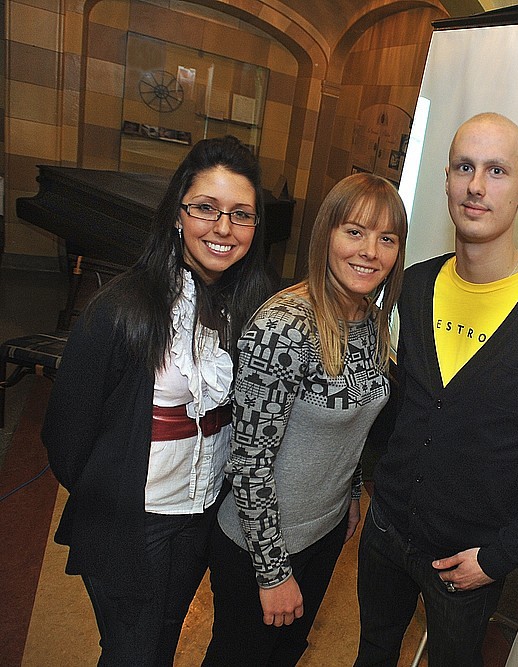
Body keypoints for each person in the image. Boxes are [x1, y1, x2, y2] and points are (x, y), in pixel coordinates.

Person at [354, 112, 518, 666]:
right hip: (385, 537)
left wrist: (498, 558)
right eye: (464, 167)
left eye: (497, 171)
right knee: (372, 654)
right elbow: (383, 406)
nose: (476, 185)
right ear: (446, 178)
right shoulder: (411, 286)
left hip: (469, 565)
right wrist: (372, 496)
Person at [41, 135, 274, 666]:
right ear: (177, 213)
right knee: (135, 654)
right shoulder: (121, 309)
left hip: (198, 520)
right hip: (130, 523)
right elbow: (66, 436)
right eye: (206, 209)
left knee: (158, 645)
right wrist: (114, 493)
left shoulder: (251, 306)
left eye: (241, 215)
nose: (223, 228)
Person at [203, 172, 407, 665]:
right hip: (261, 545)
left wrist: (352, 490)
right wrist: (272, 573)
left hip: (326, 529)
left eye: (386, 238)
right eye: (354, 231)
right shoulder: (285, 328)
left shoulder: (370, 320)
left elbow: (356, 419)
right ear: (326, 236)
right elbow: (248, 463)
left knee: (286, 652)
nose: (369, 251)